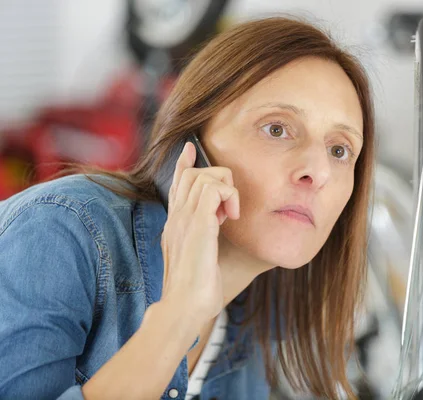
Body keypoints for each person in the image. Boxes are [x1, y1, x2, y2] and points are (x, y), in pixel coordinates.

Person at [0, 16, 375, 400]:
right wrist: (178, 316)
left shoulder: (257, 332)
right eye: (276, 129)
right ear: (189, 146)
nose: (318, 171)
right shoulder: (57, 233)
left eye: (339, 150)